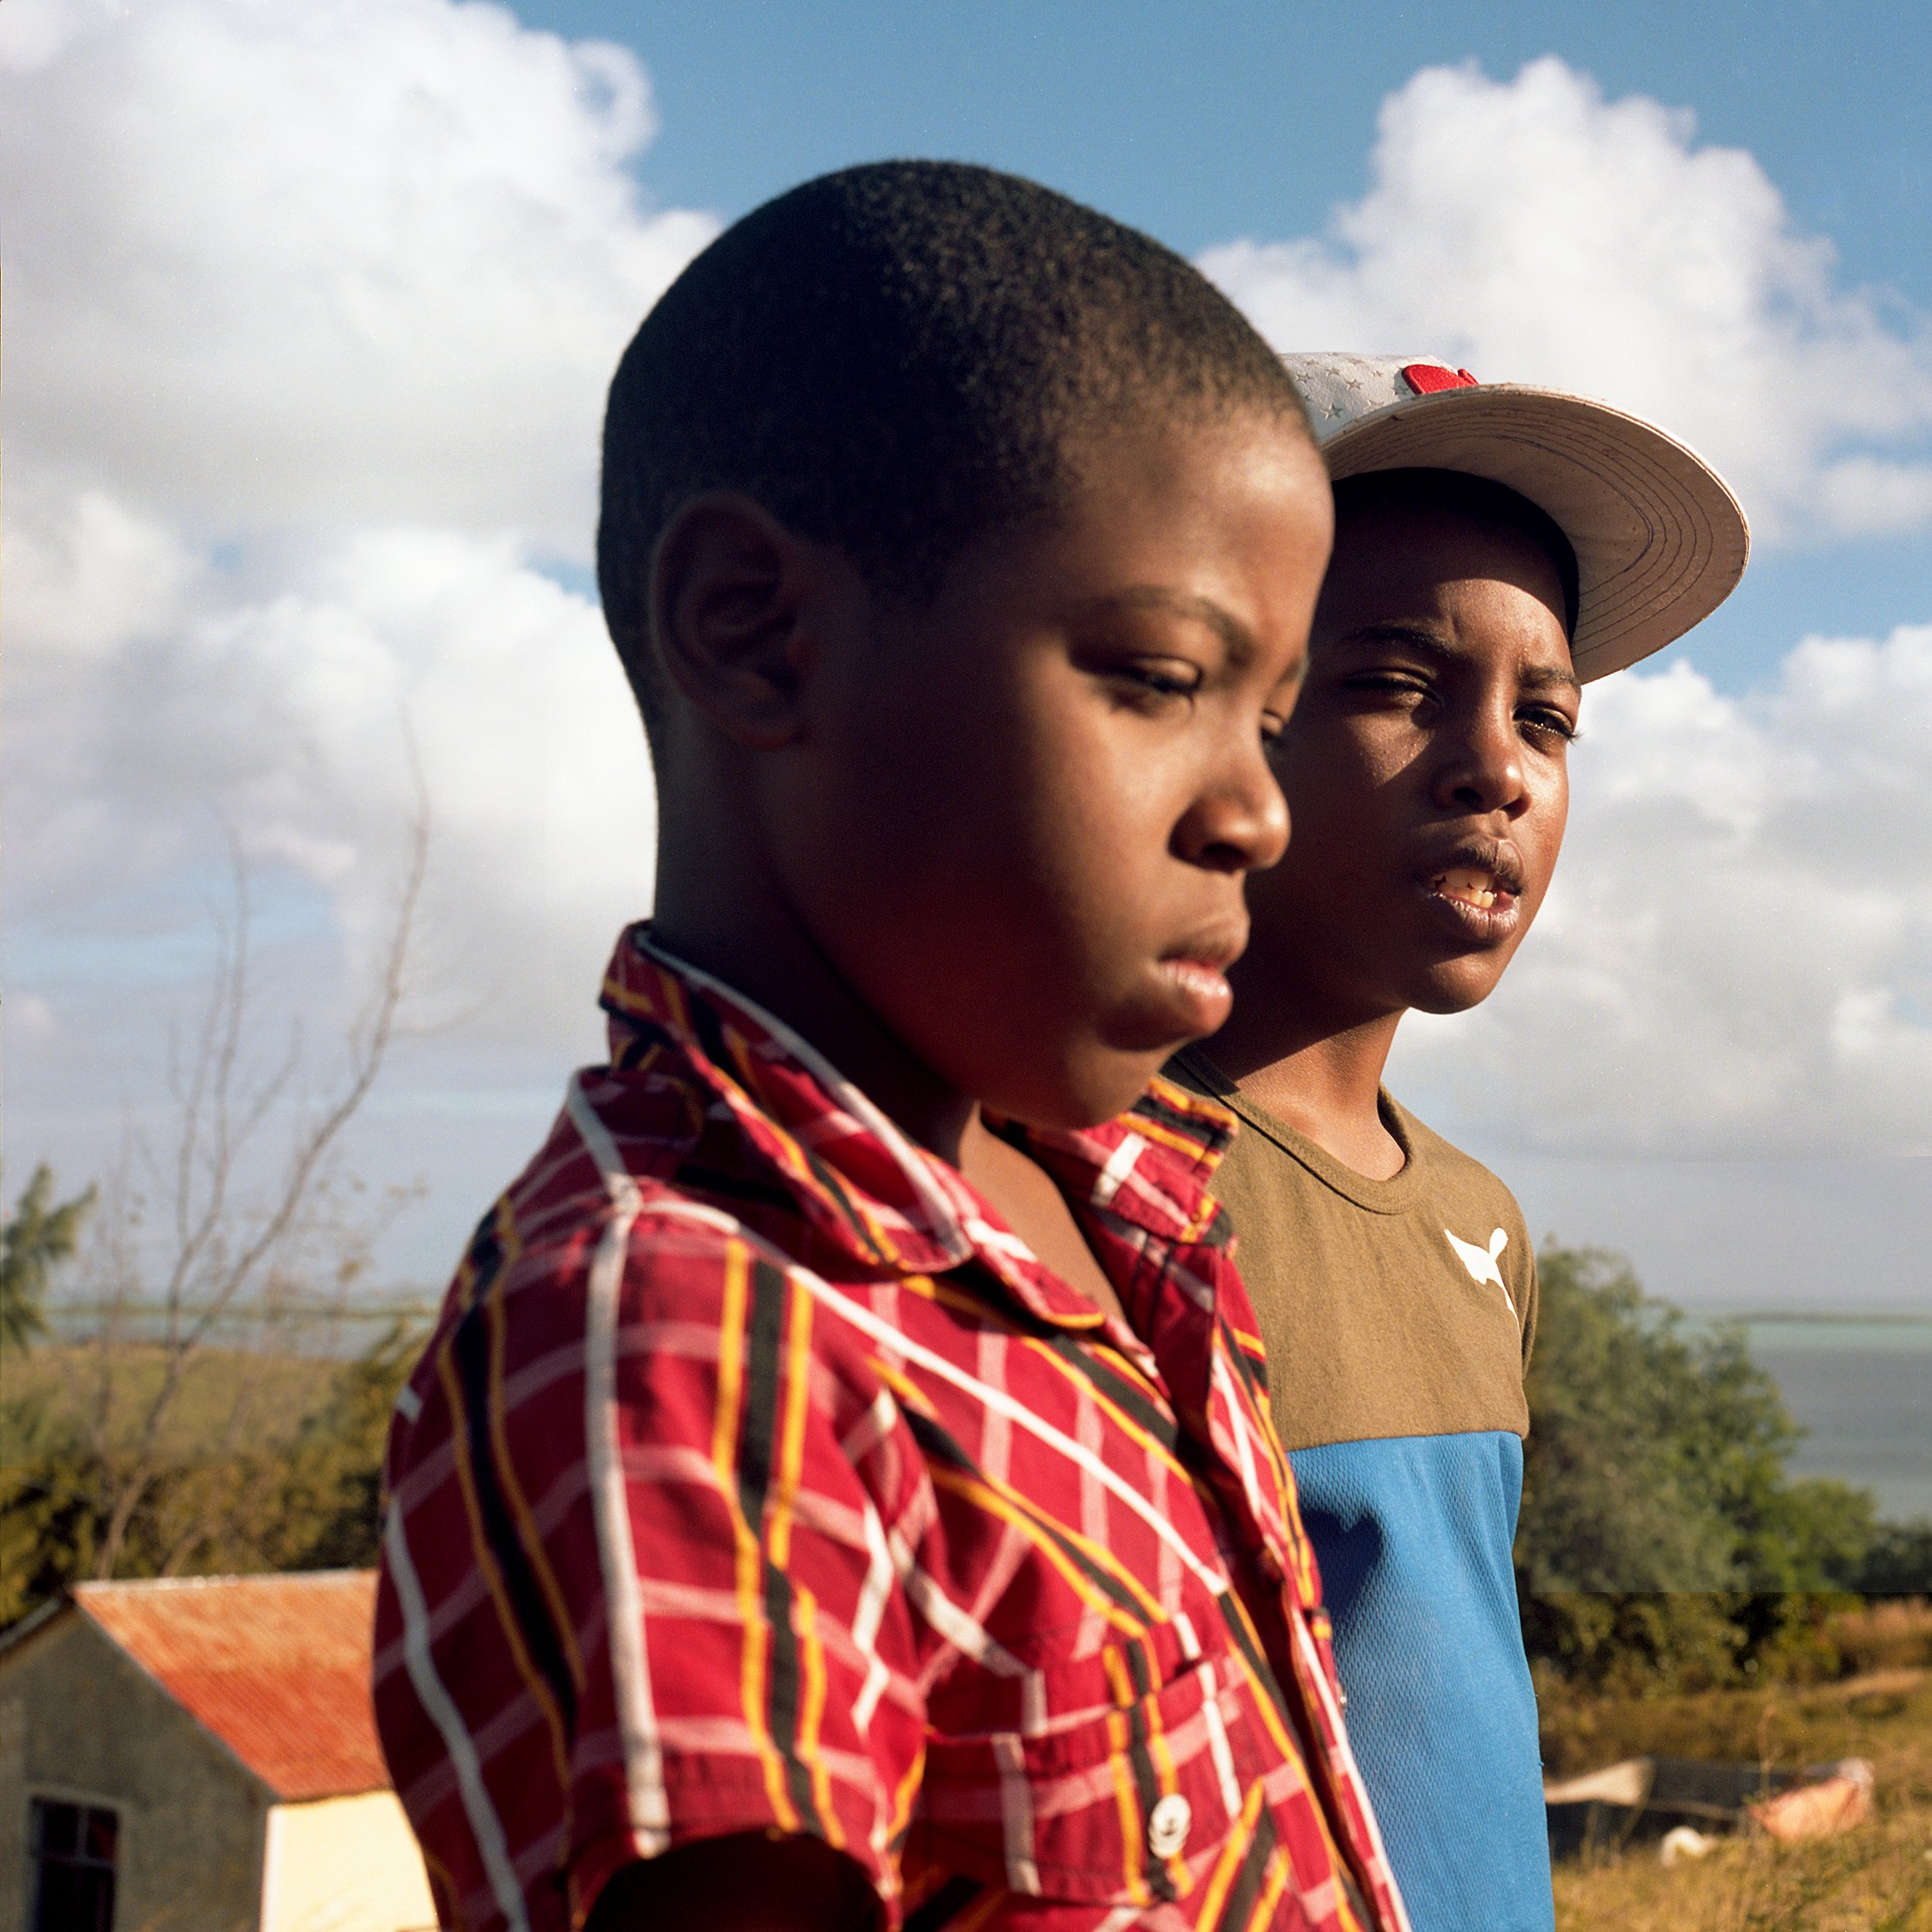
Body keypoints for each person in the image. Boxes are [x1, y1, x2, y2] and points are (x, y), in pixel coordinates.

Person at [373, 169, 1411, 1932]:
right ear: (750, 628)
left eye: (1275, 716)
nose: (1254, 809)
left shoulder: (1115, 1210)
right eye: (1160, 676)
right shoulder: (691, 1340)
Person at [1169, 354, 1749, 1932]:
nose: (1494, 766)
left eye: (1544, 715)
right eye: (1390, 683)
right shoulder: (1092, 1184)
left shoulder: (1479, 1219)